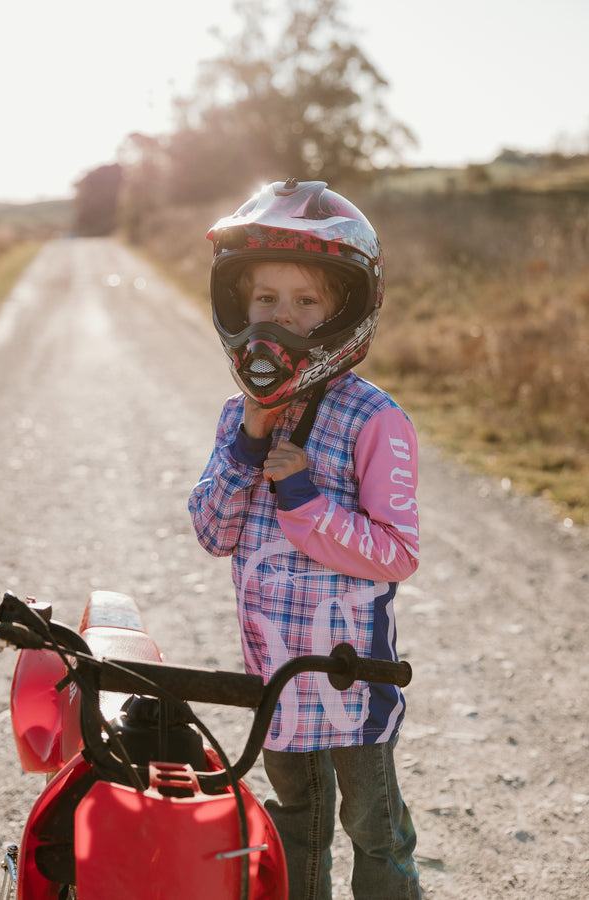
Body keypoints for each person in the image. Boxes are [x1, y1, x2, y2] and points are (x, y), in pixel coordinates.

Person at [188, 178, 421, 900]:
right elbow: (212, 530)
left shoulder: (374, 420)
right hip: (278, 680)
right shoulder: (240, 416)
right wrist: (250, 443)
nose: (281, 318)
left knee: (373, 825)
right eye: (265, 300)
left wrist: (305, 501)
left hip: (352, 682)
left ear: (343, 309)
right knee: (298, 824)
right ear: (238, 304)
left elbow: (397, 552)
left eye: (306, 302)